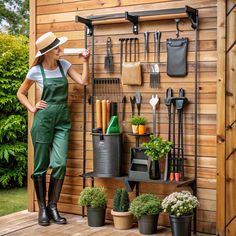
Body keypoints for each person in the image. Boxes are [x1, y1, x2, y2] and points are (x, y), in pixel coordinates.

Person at [17, 32, 90, 226]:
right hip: (42, 122)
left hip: (62, 122)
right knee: (41, 165)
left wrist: (85, 61)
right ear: (48, 52)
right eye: (57, 48)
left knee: (59, 163)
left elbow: (83, 81)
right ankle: (42, 209)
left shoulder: (64, 66)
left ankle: (53, 207)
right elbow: (20, 93)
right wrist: (32, 108)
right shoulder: (35, 71)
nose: (60, 50)